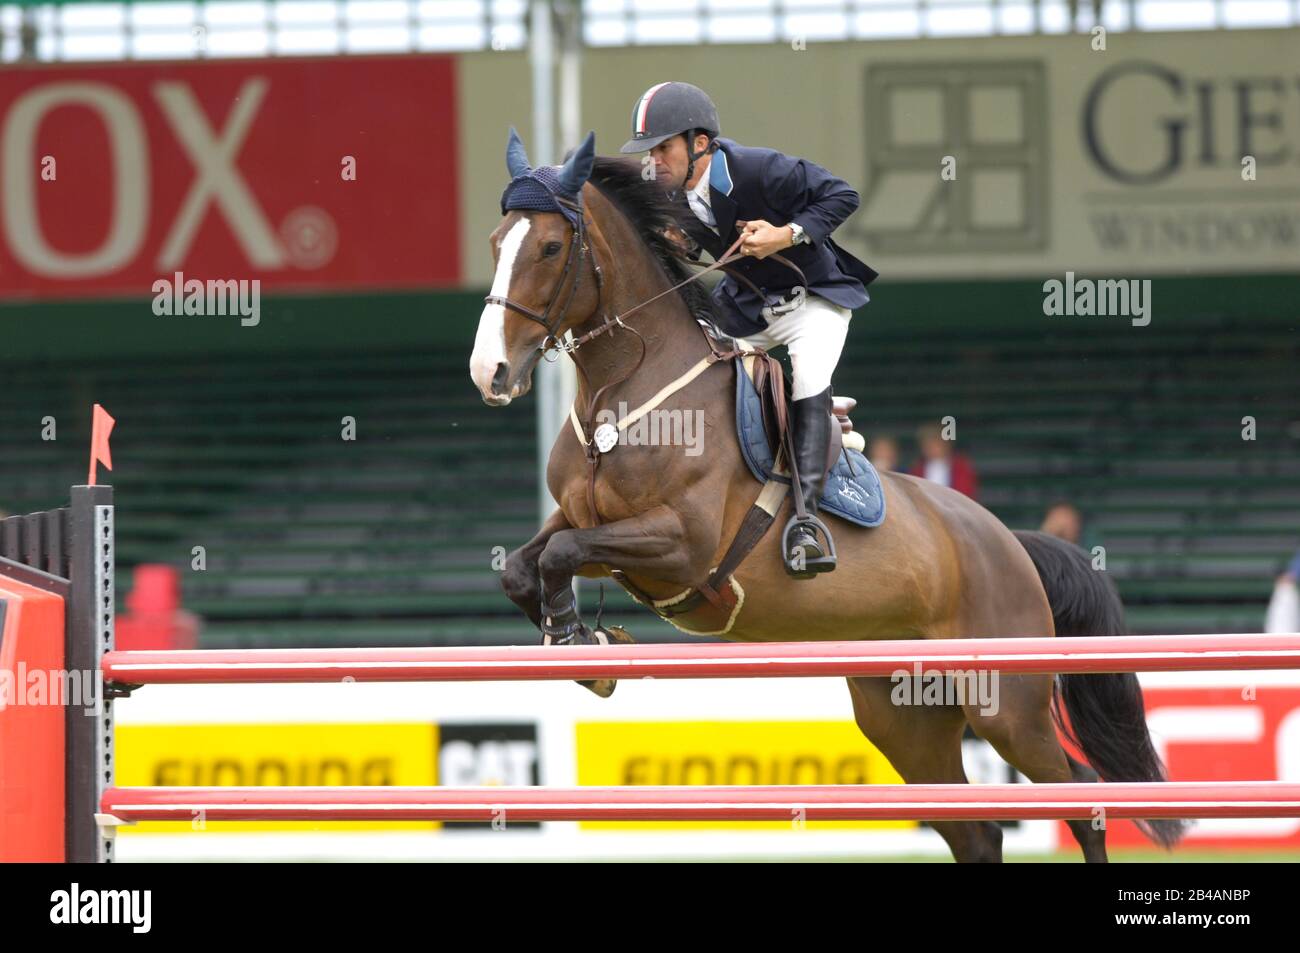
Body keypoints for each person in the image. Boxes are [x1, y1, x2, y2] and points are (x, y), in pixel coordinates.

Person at [619, 81, 879, 578]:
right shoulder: (667, 196)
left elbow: (842, 195)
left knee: (806, 382)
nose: (655, 162)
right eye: (649, 151)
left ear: (700, 142)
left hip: (811, 301)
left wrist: (785, 234)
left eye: (663, 147)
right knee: (690, 366)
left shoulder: (760, 169)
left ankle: (805, 523)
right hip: (744, 307)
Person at [909, 422, 979, 500]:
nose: (932, 449)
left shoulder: (961, 467)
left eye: (936, 444)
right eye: (927, 445)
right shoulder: (917, 470)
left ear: (946, 444)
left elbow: (966, 495)